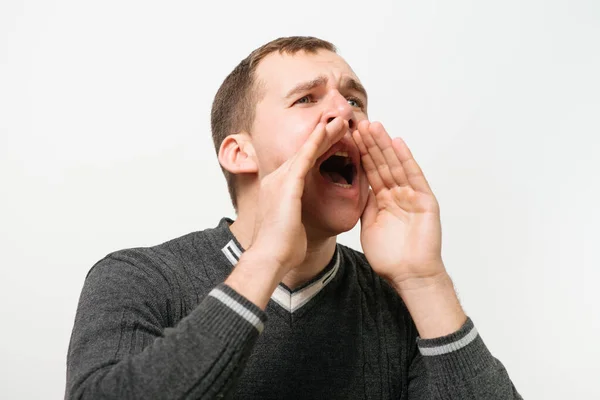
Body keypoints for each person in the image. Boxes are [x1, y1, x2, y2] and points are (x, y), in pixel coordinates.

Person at [65, 36, 522, 399]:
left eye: (355, 101)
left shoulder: (397, 302)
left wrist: (424, 280)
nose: (344, 113)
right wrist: (266, 259)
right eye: (307, 99)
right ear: (240, 153)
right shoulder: (138, 279)